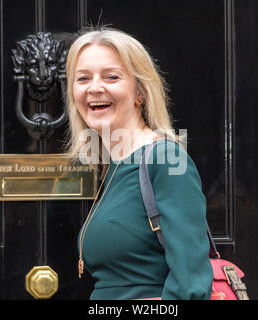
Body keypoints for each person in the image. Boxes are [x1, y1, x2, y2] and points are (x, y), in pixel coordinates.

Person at [64, 26, 213, 300]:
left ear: (139, 92)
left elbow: (190, 286)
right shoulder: (114, 166)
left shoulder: (165, 160)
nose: (95, 88)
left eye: (111, 76)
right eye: (83, 78)